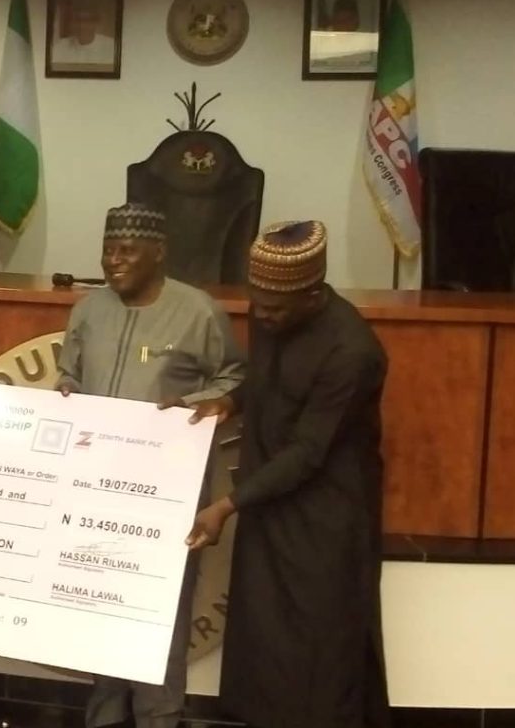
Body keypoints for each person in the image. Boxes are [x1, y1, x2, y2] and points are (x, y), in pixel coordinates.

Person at [185, 221, 391, 728]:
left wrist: (226, 506)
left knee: (320, 656)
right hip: (268, 500)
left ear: (314, 295)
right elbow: (269, 380)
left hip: (326, 520)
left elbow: (309, 451)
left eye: (275, 308)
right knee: (262, 648)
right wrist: (229, 402)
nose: (262, 316)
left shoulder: (353, 351)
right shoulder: (273, 311)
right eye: (257, 304)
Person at [56, 203, 245, 728]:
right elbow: (70, 373)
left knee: (161, 606)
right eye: (107, 250)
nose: (113, 261)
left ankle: (161, 716)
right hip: (95, 485)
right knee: (98, 598)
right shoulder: (88, 311)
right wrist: (67, 388)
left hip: (168, 490)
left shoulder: (199, 312)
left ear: (158, 252)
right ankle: (105, 714)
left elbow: (235, 377)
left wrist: (206, 402)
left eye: (127, 251)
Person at [51, 0, 117, 67]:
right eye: (78, 20)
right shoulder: (60, 47)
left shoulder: (110, 47)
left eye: (86, 20)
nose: (81, 26)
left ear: (95, 23)